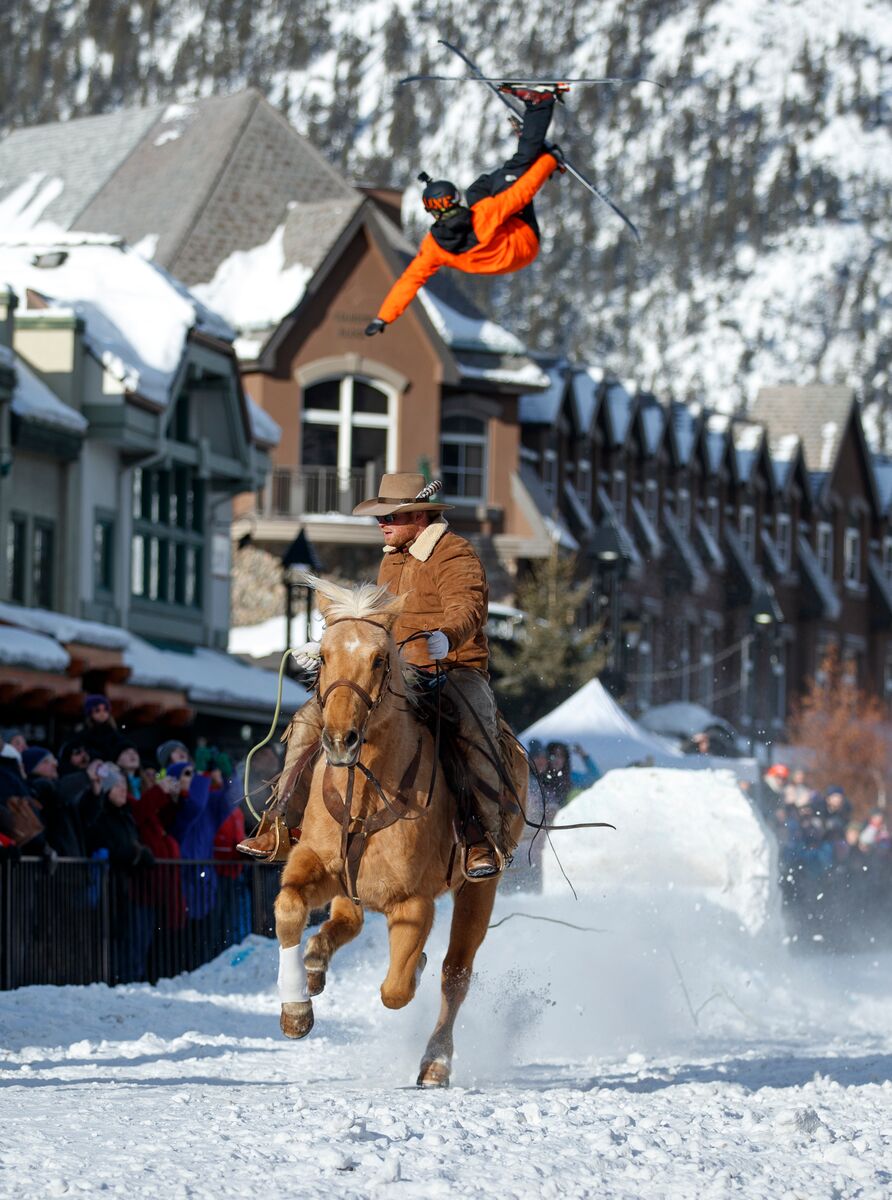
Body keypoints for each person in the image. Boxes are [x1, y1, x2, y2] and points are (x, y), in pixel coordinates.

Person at [240, 472, 512, 879]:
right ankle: (280, 823)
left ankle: (481, 838)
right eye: (380, 516)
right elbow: (376, 625)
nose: (381, 524)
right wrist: (332, 648)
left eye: (390, 517)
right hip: (394, 672)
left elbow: (468, 607)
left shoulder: (455, 554)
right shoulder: (391, 558)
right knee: (307, 722)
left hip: (453, 667)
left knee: (472, 728)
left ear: (419, 517)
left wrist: (446, 636)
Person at [364, 88, 564, 336]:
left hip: (509, 257)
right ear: (455, 200)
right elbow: (524, 192)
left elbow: (409, 281)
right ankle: (541, 106)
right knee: (514, 176)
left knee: (480, 189)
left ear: (432, 212)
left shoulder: (434, 247)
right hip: (522, 240)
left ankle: (530, 151)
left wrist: (383, 317)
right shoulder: (484, 215)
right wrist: (550, 160)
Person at [79, 695, 121, 762]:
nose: (102, 713)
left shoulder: (113, 732)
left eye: (105, 710)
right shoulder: (84, 733)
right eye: (97, 710)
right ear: (90, 713)